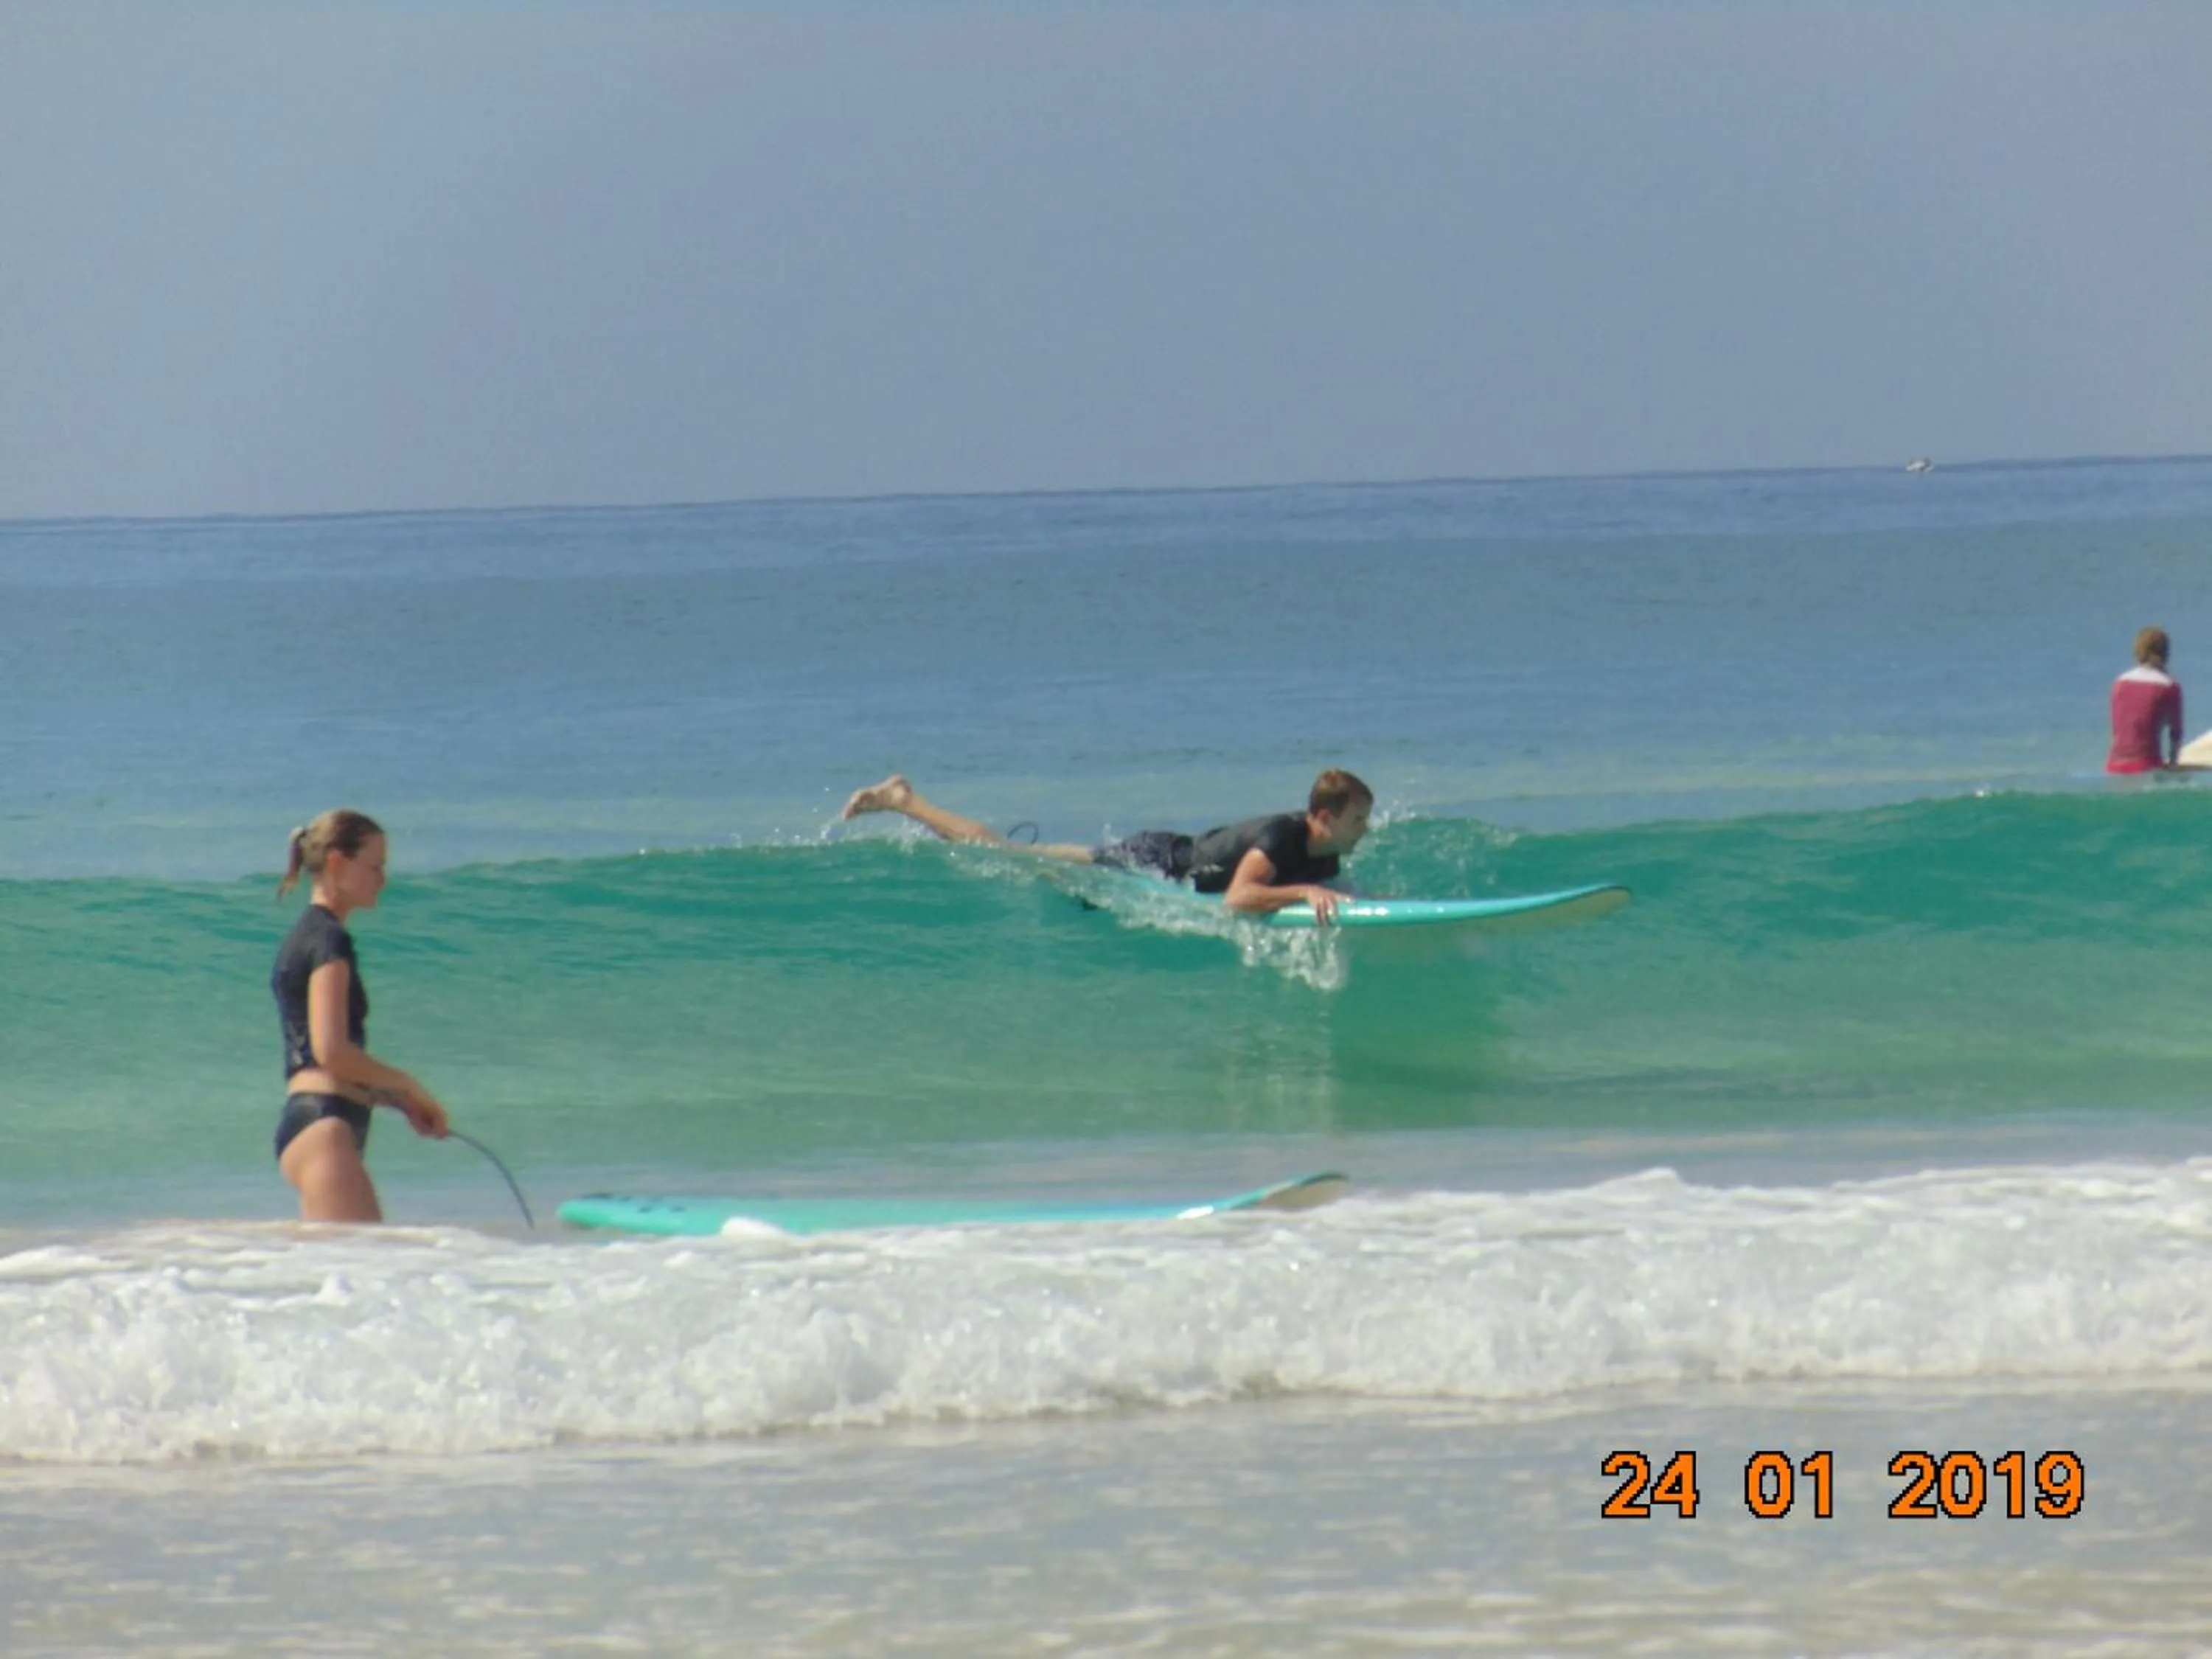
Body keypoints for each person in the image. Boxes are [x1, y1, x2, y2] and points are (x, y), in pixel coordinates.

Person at [839, 768, 1374, 922]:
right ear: (1325, 817)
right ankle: (905, 800)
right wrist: (1304, 893)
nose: (1366, 829)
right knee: (1009, 856)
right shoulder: (1283, 836)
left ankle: (906, 801)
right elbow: (1238, 898)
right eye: (1359, 819)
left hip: (1167, 858)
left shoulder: (1327, 849)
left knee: (1026, 855)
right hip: (1150, 865)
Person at [271, 810, 451, 1221]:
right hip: (325, 1128)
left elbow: (321, 1062)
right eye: (375, 867)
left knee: (350, 1276)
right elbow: (331, 1052)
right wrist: (411, 1085)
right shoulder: (329, 940)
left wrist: (398, 1101)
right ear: (337, 863)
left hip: (316, 1120)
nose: (382, 880)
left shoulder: (308, 934)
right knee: (372, 1273)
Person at [2107, 627, 2184, 774]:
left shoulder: (2120, 683)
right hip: (2146, 765)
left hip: (2114, 764)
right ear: (2165, 653)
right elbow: (2176, 733)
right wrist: (2173, 764)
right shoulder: (2169, 686)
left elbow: (2117, 728)